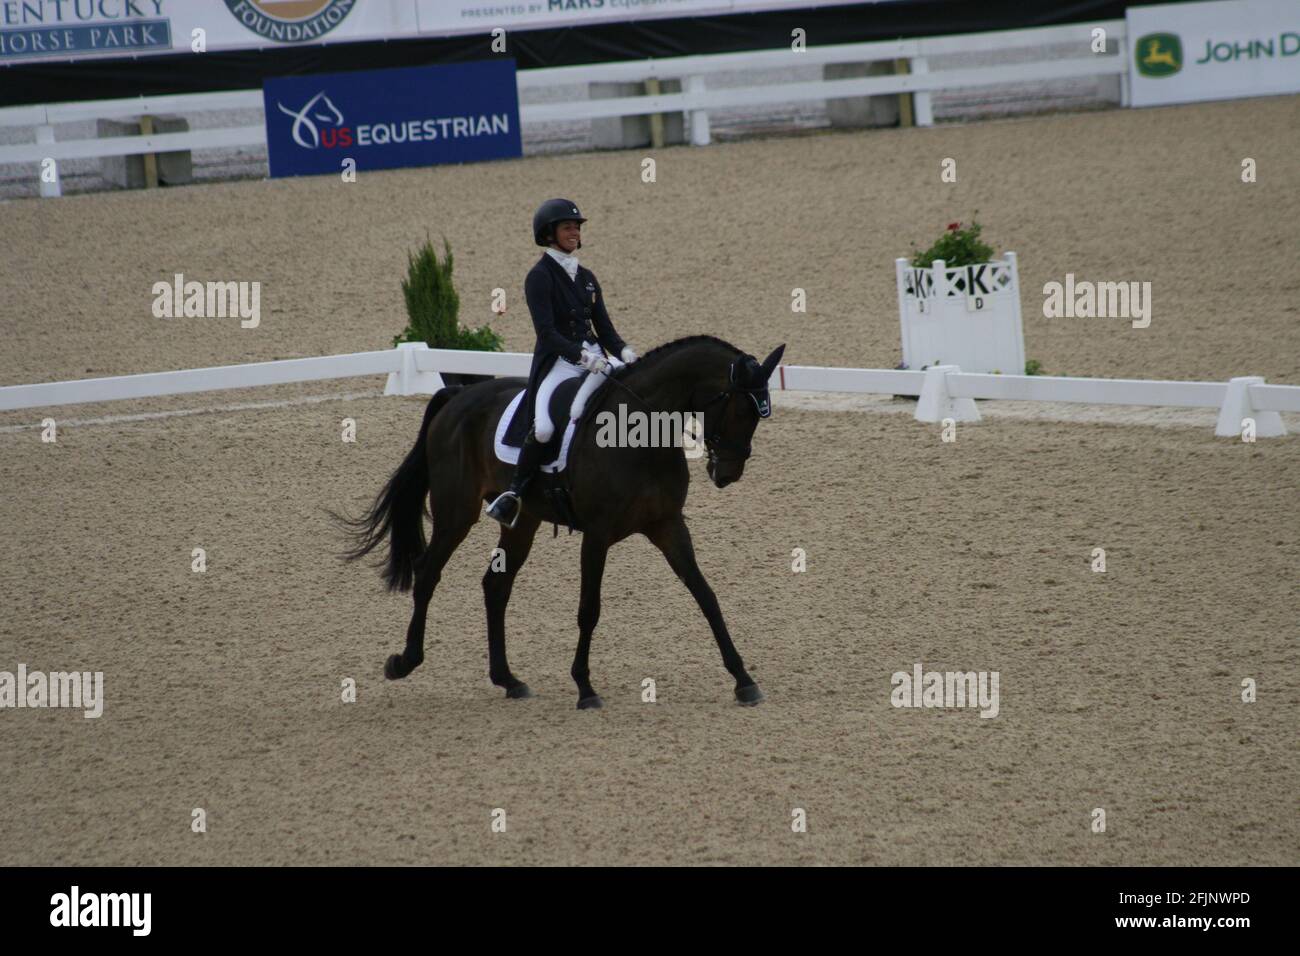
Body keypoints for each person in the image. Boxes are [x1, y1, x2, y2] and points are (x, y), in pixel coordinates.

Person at [485, 198, 639, 528]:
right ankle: (514, 494)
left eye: (577, 227)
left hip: (595, 360)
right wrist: (583, 356)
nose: (574, 231)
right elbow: (547, 333)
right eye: (567, 226)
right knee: (542, 429)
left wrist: (627, 353)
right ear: (549, 233)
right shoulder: (539, 277)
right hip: (558, 364)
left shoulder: (586, 277)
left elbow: (605, 329)